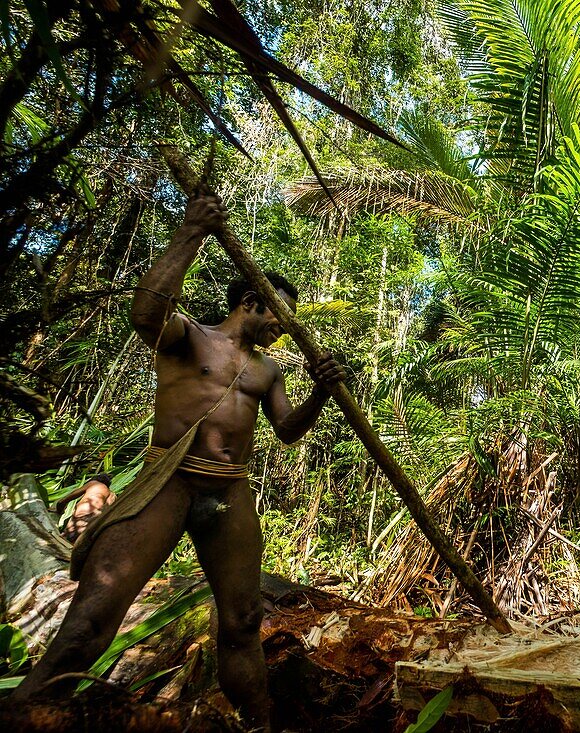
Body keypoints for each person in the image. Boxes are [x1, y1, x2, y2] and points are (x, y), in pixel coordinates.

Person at [13, 193, 345, 730]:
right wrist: (190, 232)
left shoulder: (268, 372)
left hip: (229, 492)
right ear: (253, 302)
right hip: (169, 480)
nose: (282, 329)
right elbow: (144, 313)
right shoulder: (190, 337)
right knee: (92, 618)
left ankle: (258, 723)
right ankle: (26, 711)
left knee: (242, 621)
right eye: (279, 316)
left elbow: (286, 431)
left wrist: (322, 394)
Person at [55, 473, 115, 543]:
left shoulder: (94, 483)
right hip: (96, 518)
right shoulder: (112, 494)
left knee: (64, 538)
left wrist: (59, 508)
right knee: (75, 542)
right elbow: (109, 510)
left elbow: (70, 496)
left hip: (84, 511)